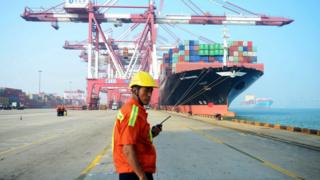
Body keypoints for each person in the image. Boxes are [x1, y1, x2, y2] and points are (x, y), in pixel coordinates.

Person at [112, 71, 162, 180]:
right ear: (135, 90)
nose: (149, 94)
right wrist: (141, 176)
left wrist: (152, 133)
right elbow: (127, 148)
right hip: (134, 171)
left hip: (135, 169)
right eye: (146, 90)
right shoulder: (132, 113)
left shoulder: (137, 110)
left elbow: (136, 138)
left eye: (151, 90)